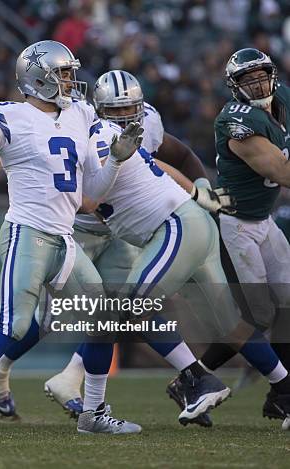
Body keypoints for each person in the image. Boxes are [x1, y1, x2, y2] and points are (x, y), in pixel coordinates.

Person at [0, 69, 290, 432]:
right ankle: (284, 389)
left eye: (130, 108)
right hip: (120, 227)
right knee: (224, 319)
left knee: (127, 305)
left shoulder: (104, 134)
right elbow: (137, 170)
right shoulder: (83, 135)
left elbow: (157, 162)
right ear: (96, 109)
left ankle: (193, 380)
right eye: (114, 111)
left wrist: (199, 188)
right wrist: (194, 193)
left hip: (166, 226)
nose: (125, 118)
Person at [0, 40, 145, 434]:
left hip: (65, 239)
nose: (70, 80)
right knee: (14, 326)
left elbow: (90, 195)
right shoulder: (12, 116)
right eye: (62, 73)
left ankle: (93, 415)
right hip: (28, 233)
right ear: (38, 76)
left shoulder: (79, 113)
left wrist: (116, 159)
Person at [167, 48, 290, 429]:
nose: (257, 84)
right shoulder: (235, 121)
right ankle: (198, 380)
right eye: (247, 79)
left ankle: (277, 393)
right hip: (235, 225)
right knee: (259, 315)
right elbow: (280, 171)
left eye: (261, 75)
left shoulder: (281, 97)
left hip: (264, 220)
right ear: (234, 87)